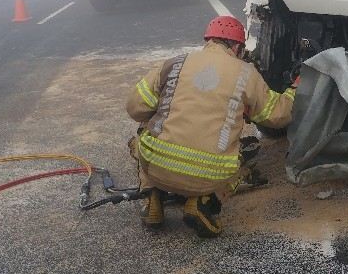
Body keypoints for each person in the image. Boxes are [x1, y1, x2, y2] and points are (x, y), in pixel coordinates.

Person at [126, 16, 297, 237]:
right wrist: (294, 90)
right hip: (208, 177)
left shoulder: (175, 63)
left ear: (208, 41)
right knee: (238, 161)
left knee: (141, 136)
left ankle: (152, 197)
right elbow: (278, 116)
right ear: (237, 47)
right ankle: (204, 202)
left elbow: (134, 108)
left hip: (157, 168)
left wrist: (165, 108)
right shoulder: (246, 73)